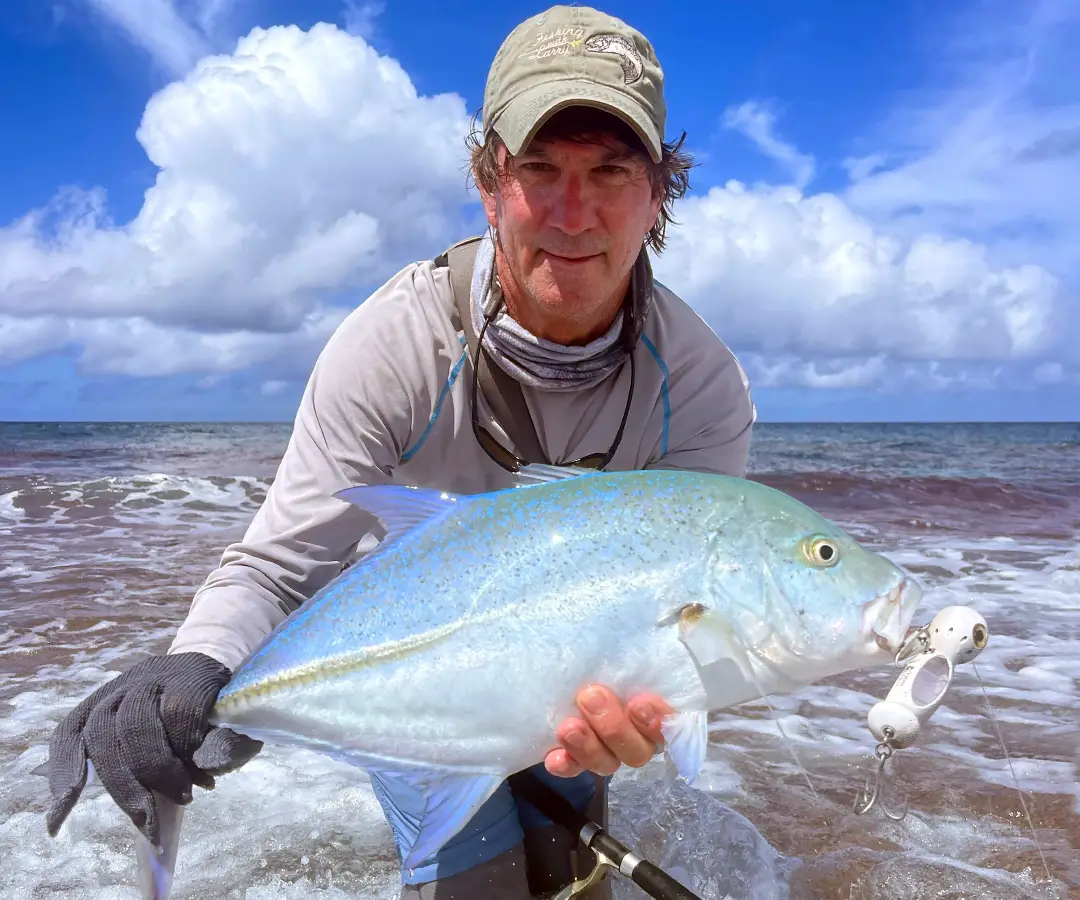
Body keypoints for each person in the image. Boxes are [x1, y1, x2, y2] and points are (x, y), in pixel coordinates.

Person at [42, 4, 756, 898]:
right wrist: (198, 667)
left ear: (658, 195)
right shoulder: (393, 345)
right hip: (422, 670)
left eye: (611, 171)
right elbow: (279, 563)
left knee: (572, 870)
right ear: (489, 183)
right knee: (480, 884)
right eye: (539, 169)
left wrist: (661, 704)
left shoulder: (700, 384)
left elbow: (691, 612)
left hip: (577, 689)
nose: (573, 213)